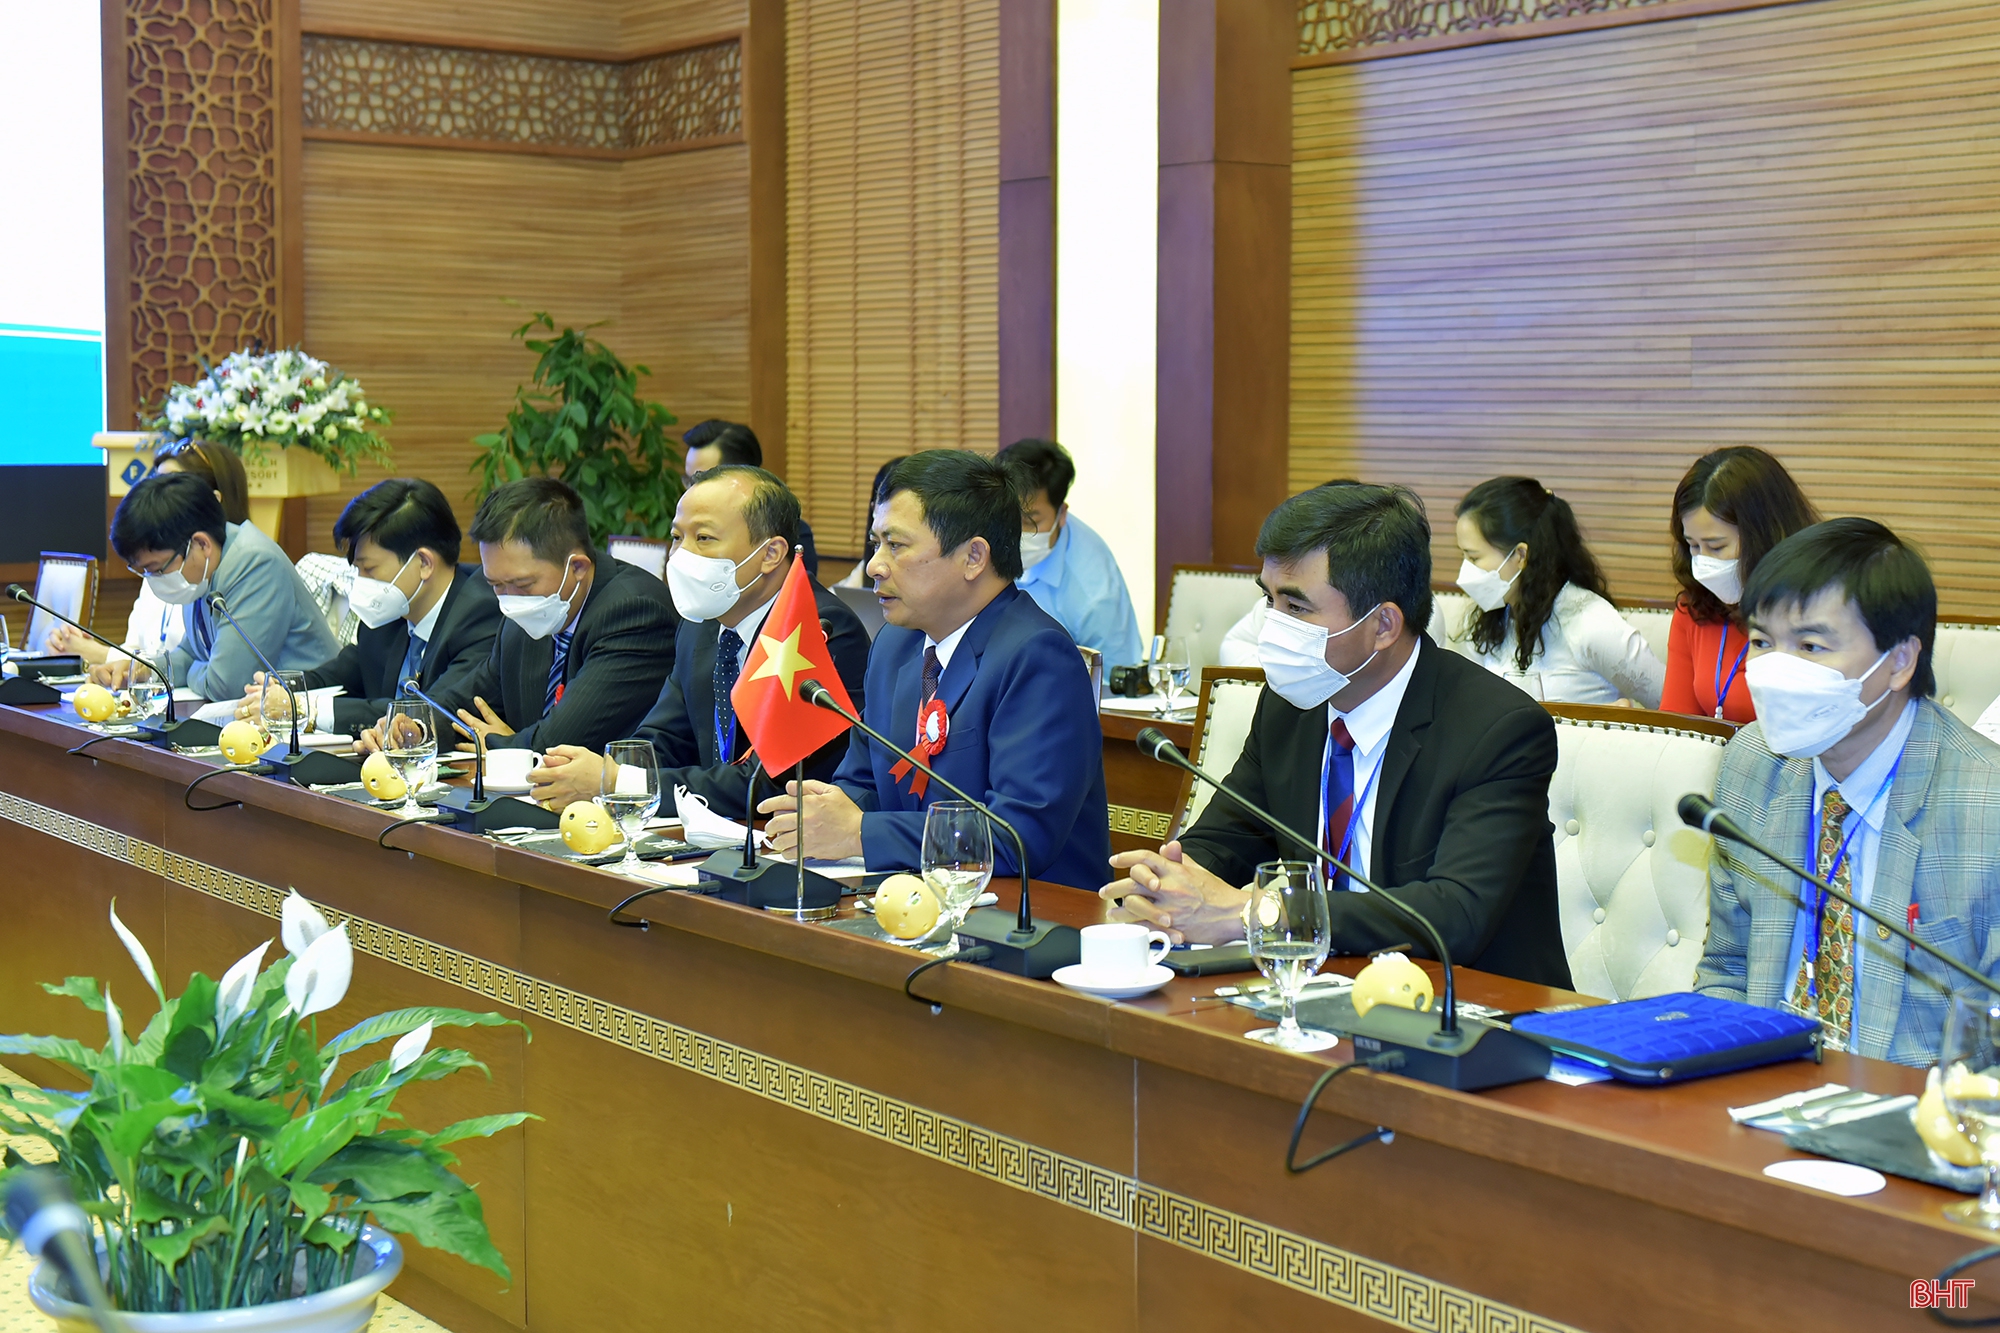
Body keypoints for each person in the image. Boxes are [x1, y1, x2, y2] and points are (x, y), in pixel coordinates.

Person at [1100, 483, 1570, 988]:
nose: (1270, 628)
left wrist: (1252, 912)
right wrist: (1166, 886)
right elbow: (1225, 838)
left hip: (1477, 1005)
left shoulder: (1497, 730)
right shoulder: (1289, 706)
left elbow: (1454, 914)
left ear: (1383, 625)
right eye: (1268, 600)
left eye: (1296, 608)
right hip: (1320, 988)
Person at [1694, 518, 2000, 1066]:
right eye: (1762, 642)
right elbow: (1728, 969)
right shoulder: (1752, 763)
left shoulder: (1986, 802)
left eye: (1810, 645)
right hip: (1763, 1085)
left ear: (1900, 661)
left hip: (1918, 1105)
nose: (1776, 671)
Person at [755, 449, 1111, 889]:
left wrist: (859, 832)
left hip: (1032, 912)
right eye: (876, 543)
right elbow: (863, 781)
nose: (874, 566)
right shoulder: (895, 645)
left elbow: (1018, 837)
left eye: (896, 545)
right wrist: (827, 809)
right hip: (911, 895)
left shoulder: (1038, 658)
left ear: (974, 557)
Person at [527, 466, 869, 812]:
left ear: (770, 554)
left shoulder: (820, 629)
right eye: (677, 537)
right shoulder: (700, 623)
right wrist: (598, 773)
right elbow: (664, 740)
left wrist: (621, 782)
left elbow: (768, 785)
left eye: (703, 538)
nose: (680, 555)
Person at [362, 476, 678, 754]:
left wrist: (501, 744)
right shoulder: (522, 619)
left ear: (578, 567)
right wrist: (415, 726)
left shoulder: (634, 613)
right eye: (496, 585)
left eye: (522, 584)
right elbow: (470, 698)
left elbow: (556, 742)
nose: (509, 600)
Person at [239, 479, 501, 738]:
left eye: (370, 569)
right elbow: (343, 673)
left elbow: (426, 713)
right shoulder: (390, 613)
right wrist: (284, 690)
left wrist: (307, 710)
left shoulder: (480, 614)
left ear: (423, 563)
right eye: (357, 569)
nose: (361, 582)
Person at [93, 471, 337, 701]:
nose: (153, 579)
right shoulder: (203, 568)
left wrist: (198, 671)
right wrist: (142, 671)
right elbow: (189, 655)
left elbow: (226, 685)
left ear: (201, 544)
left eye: (157, 568)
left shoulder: (255, 565)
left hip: (306, 713)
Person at [1452, 476, 1662, 706]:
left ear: (1520, 555)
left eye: (1474, 558)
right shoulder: (1490, 619)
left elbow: (1670, 704)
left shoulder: (1591, 624)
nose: (1465, 570)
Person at [52, 440, 250, 668]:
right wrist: (108, 665)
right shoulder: (158, 569)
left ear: (213, 501)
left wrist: (100, 654)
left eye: (171, 489)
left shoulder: (234, 575)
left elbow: (208, 669)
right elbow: (136, 647)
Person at [1662, 447, 1819, 723]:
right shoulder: (1694, 608)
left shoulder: (1818, 608)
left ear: (1765, 536)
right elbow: (1677, 726)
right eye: (1693, 546)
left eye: (1716, 547)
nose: (1703, 563)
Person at [994, 438, 1144, 668]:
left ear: (1061, 514)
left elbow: (1113, 679)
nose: (1015, 531)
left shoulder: (1094, 594)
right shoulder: (977, 536)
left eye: (1030, 521)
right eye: (1007, 516)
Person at [682, 420, 817, 579]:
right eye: (690, 481)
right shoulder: (684, 526)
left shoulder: (791, 534)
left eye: (703, 480)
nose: (691, 491)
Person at [834, 455, 908, 588]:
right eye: (875, 543)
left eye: (895, 544)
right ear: (874, 508)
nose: (871, 569)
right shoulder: (871, 564)